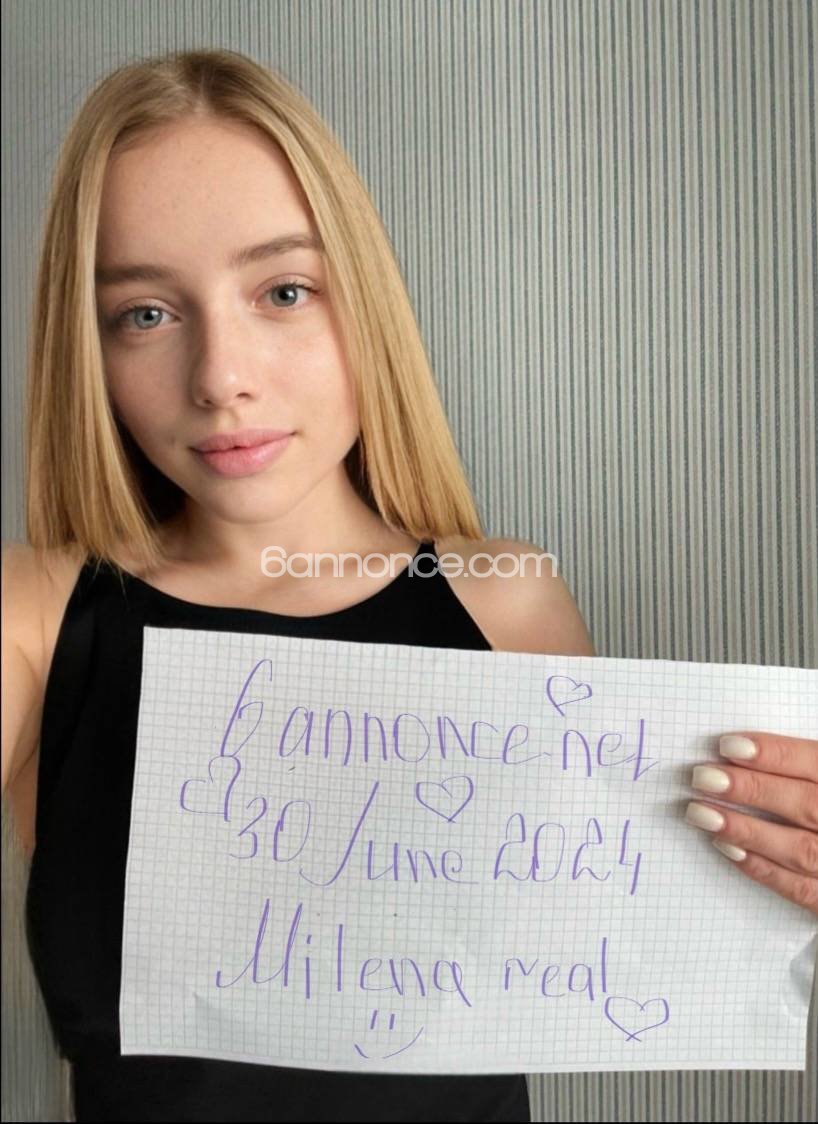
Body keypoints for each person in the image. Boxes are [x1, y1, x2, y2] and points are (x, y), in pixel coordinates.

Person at [3, 45, 815, 1124]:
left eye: (284, 291)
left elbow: (620, 952)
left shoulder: (506, 601)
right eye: (145, 313)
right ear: (88, 348)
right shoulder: (34, 615)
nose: (221, 378)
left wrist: (786, 858)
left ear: (364, 303)